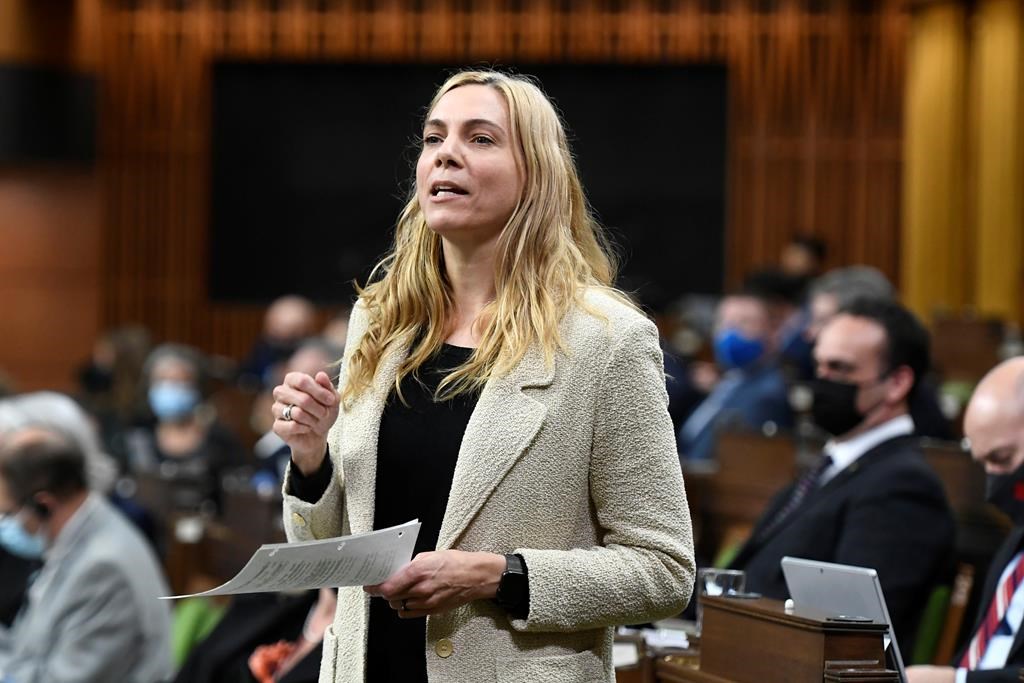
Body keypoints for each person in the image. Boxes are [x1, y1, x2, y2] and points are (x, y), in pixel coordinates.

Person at [273, 70, 695, 683]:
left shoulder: (606, 340)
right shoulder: (380, 319)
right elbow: (325, 549)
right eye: (434, 137)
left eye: (481, 139)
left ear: (537, 174)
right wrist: (311, 458)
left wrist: (498, 575)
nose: (446, 152)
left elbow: (663, 571)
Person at [728, 297, 955, 649]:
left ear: (897, 382)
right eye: (819, 366)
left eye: (841, 369)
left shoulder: (904, 486)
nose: (823, 381)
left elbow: (851, 631)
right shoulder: (831, 464)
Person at [0, 427, 172, 683]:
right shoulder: (76, 534)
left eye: (8, 514)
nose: (5, 524)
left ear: (43, 504)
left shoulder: (104, 567)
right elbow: (27, 644)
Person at [908, 357, 1024, 683]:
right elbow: (984, 652)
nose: (993, 480)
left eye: (1001, 458)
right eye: (983, 463)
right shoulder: (1015, 543)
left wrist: (954, 681)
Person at [125, 343, 247, 514]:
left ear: (197, 387)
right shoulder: (137, 436)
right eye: (161, 381)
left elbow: (238, 497)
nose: (169, 388)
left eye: (179, 382)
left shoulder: (220, 439)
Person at [677, 287, 793, 461]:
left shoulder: (767, 394)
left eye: (744, 322)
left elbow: (734, 467)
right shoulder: (730, 380)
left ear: (771, 331)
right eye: (724, 321)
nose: (730, 331)